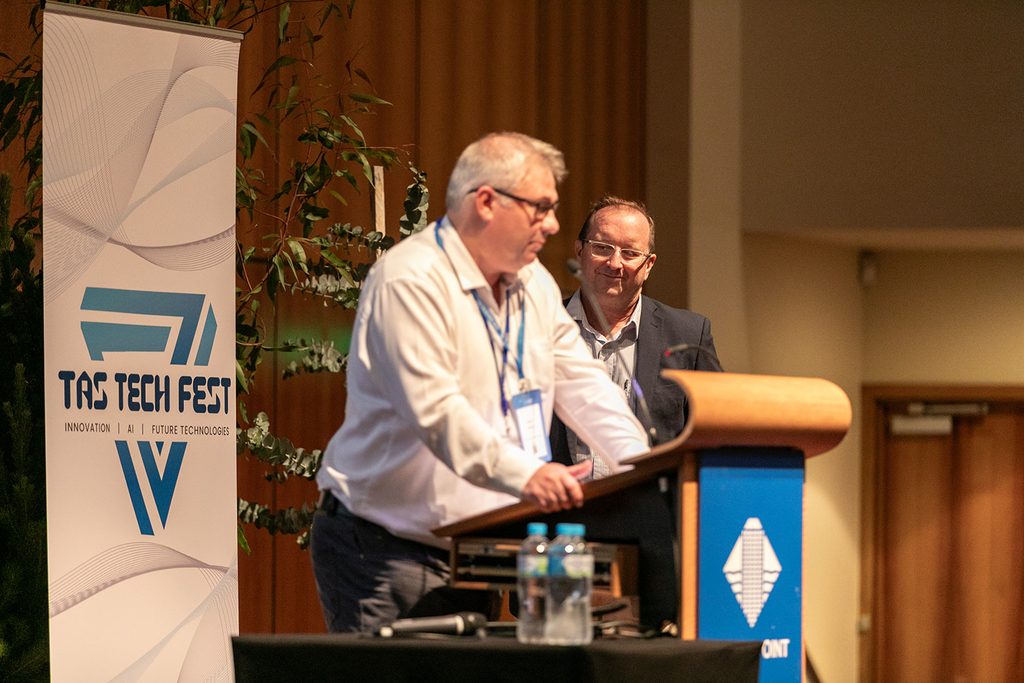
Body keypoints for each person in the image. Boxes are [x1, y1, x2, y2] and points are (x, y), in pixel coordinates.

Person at [310, 133, 650, 634]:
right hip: (385, 549)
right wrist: (531, 476)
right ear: (487, 202)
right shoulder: (410, 279)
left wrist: (642, 471)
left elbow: (586, 384)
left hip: (477, 550)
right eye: (540, 208)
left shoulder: (532, 282)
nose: (553, 225)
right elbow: (437, 413)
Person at [550, 196, 722, 478]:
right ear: (580, 250)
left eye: (630, 253)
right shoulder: (542, 325)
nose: (614, 263)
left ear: (649, 264)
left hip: (650, 499)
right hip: (559, 500)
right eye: (602, 248)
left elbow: (716, 430)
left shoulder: (689, 335)